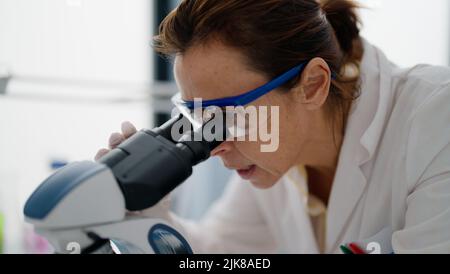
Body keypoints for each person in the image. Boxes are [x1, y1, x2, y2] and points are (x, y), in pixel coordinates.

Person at [96, 0, 450, 253]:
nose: (215, 146)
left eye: (228, 117)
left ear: (312, 84)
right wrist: (147, 218)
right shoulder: (274, 158)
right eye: (199, 119)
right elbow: (220, 253)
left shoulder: (436, 118)